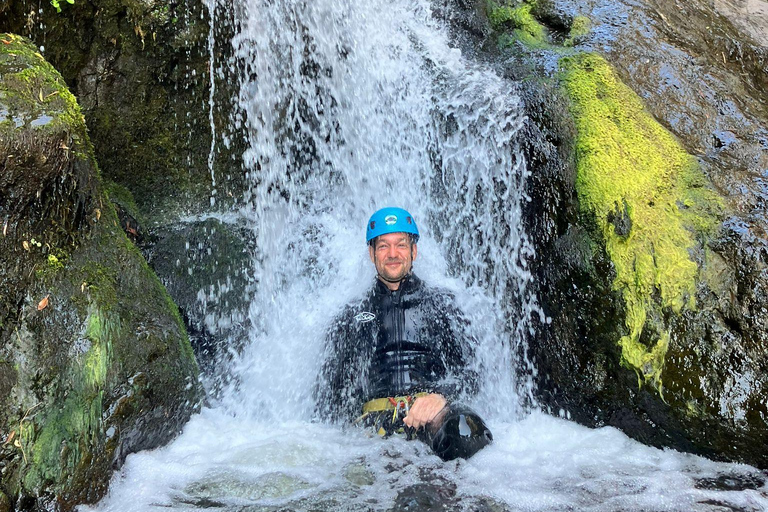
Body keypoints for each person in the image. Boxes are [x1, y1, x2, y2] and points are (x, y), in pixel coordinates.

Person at [315, 207, 492, 460]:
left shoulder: (442, 305)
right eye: (384, 246)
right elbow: (330, 395)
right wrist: (348, 432)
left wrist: (440, 396)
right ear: (371, 254)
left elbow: (473, 373)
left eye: (401, 244)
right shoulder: (351, 315)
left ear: (414, 251)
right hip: (373, 424)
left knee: (466, 429)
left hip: (432, 418)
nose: (393, 254)